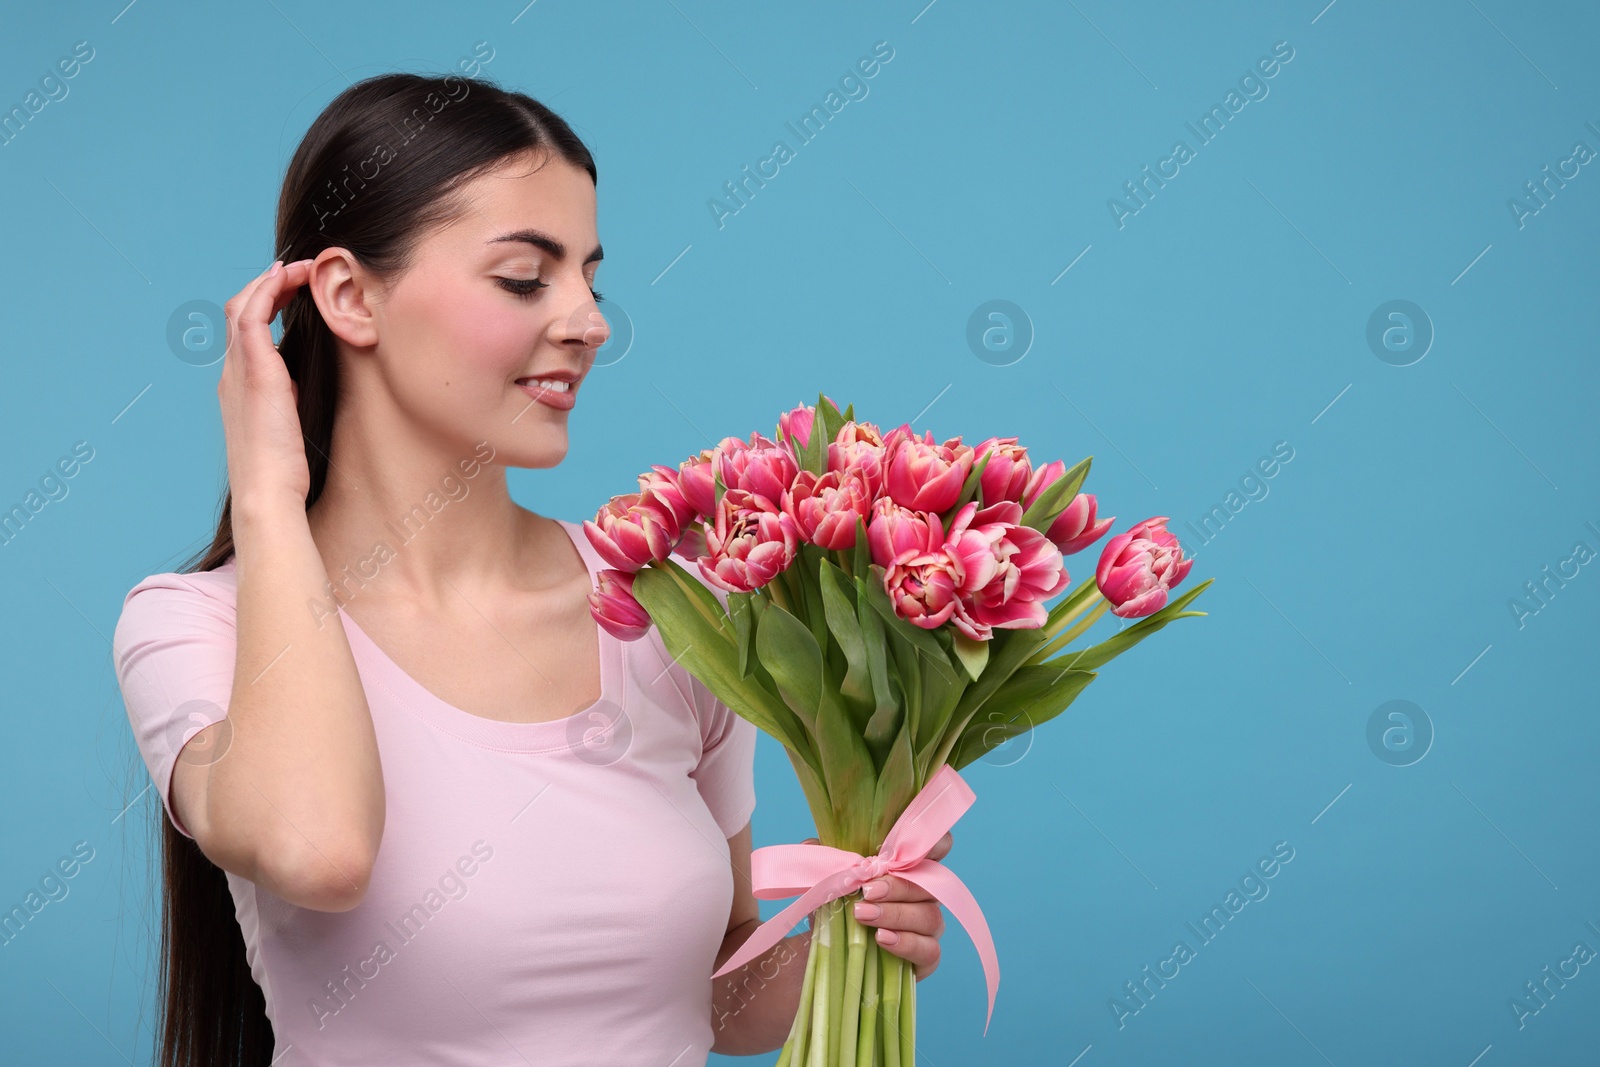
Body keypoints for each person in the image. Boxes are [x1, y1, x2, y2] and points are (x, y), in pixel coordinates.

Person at [111, 72, 949, 1067]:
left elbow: (711, 996)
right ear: (348, 295)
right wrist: (266, 494)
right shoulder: (193, 627)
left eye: (591, 276)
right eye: (524, 277)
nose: (588, 320)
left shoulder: (670, 606)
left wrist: (857, 943)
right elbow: (319, 850)